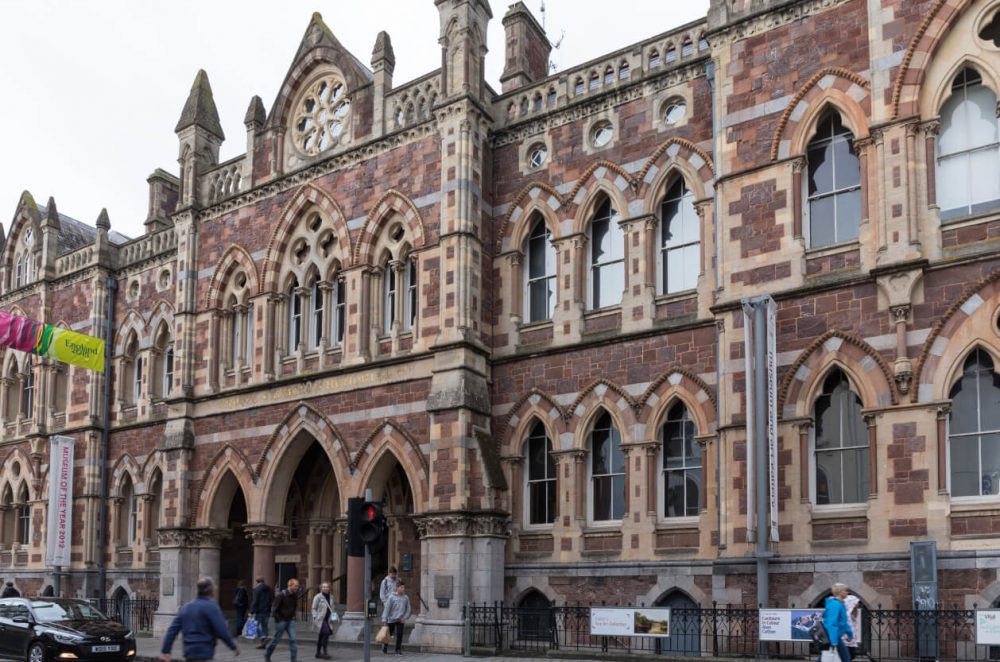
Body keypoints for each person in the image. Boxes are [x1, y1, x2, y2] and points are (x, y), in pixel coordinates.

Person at [160, 577, 240, 662]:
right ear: (210, 590)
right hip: (205, 652)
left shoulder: (186, 608)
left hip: (189, 652)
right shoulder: (212, 607)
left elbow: (172, 630)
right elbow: (222, 630)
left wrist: (166, 651)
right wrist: (233, 646)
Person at [265, 577, 303, 662]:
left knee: (293, 640)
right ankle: (267, 654)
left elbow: (294, 606)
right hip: (281, 621)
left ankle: (294, 660)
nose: (297, 588)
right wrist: (279, 619)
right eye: (295, 586)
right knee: (276, 640)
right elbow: (274, 609)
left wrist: (293, 616)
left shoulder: (294, 595)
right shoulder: (281, 595)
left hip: (290, 621)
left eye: (297, 586)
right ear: (290, 585)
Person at [820, 583, 854, 662]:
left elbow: (843, 622)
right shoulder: (835, 605)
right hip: (832, 636)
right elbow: (832, 624)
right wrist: (834, 641)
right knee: (844, 658)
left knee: (825, 657)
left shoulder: (839, 604)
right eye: (845, 590)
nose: (847, 592)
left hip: (835, 636)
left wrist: (850, 634)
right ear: (840, 592)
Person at [381, 581, 411, 656]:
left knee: (400, 634)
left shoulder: (406, 597)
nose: (403, 589)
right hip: (391, 619)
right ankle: (385, 646)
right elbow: (387, 608)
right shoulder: (391, 597)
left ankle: (398, 650)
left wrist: (405, 618)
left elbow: (408, 609)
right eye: (401, 587)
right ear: (397, 588)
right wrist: (384, 619)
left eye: (404, 587)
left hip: (400, 619)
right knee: (389, 634)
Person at [311, 582, 336, 659]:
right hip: (320, 619)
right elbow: (313, 608)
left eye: (327, 587)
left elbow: (332, 607)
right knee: (326, 633)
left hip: (328, 619)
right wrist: (315, 616)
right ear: (321, 588)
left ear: (329, 588)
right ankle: (325, 652)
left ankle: (318, 653)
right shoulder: (318, 597)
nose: (325, 588)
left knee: (321, 636)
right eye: (323, 587)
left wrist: (333, 616)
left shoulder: (331, 597)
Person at [251, 577, 274, 649]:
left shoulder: (257, 589)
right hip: (267, 611)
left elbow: (255, 601)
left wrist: (252, 611)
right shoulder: (269, 589)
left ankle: (263, 638)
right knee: (265, 627)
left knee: (254, 627)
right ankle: (264, 644)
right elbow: (272, 599)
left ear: (257, 582)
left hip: (259, 611)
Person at [844, 594, 862, 659]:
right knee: (849, 657)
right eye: (856, 604)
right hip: (846, 641)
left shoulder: (851, 615)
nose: (858, 606)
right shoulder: (846, 615)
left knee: (851, 656)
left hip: (851, 641)